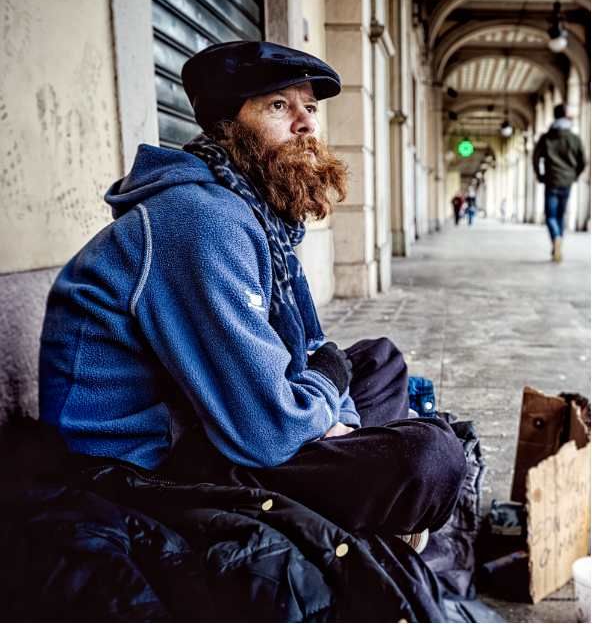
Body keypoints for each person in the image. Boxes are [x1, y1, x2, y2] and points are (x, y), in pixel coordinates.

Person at [38, 40, 466, 548]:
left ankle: (352, 484)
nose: (306, 124)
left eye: (309, 107)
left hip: (217, 421)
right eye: (279, 106)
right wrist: (327, 405)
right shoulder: (201, 222)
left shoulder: (258, 217)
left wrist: (336, 420)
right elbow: (268, 430)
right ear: (229, 126)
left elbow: (308, 352)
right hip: (140, 474)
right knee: (431, 456)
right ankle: (363, 505)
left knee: (381, 361)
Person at [533, 104, 587, 262]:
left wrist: (540, 174)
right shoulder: (574, 138)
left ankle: (556, 238)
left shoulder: (546, 137)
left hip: (551, 180)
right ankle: (558, 244)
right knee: (561, 215)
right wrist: (574, 176)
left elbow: (535, 158)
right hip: (567, 182)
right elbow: (583, 161)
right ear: (566, 116)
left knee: (550, 216)